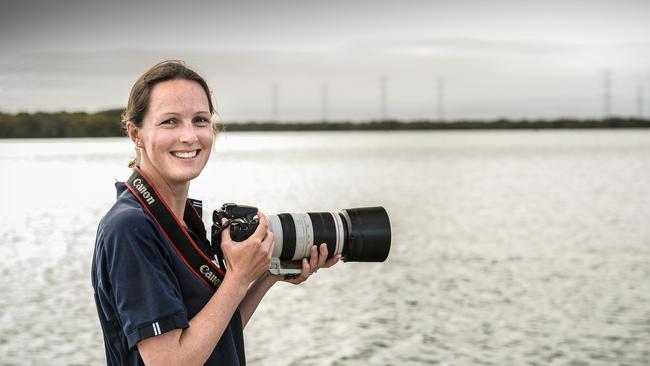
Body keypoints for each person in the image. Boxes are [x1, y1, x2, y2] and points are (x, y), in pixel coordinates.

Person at [91, 60, 340, 366]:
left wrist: (266, 274)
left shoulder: (182, 221)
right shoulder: (130, 227)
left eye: (200, 120)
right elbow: (169, 361)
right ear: (135, 134)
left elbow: (215, 337)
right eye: (170, 121)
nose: (190, 136)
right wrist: (237, 278)